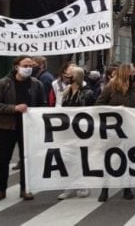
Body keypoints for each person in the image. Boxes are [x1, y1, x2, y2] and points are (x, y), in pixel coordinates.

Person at [0, 55, 46, 202]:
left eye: (30, 66)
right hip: (7, 127)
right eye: (25, 65)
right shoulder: (4, 83)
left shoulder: (36, 84)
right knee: (4, 159)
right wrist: (14, 108)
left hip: (28, 128)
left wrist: (35, 113)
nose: (28, 68)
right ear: (16, 67)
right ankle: (0, 189)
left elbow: (43, 104)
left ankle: (25, 188)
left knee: (26, 159)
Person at [95, 63, 135, 202]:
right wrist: (115, 110)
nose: (134, 74)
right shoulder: (110, 87)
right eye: (132, 71)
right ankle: (105, 190)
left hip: (129, 129)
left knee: (127, 158)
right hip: (112, 129)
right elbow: (99, 105)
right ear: (125, 72)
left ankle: (127, 189)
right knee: (110, 158)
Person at [57, 66, 95, 200]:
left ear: (75, 77)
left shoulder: (87, 93)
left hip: (82, 131)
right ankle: (70, 185)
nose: (66, 76)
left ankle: (83, 184)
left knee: (81, 158)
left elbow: (91, 113)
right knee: (67, 158)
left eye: (68, 74)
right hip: (68, 130)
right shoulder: (66, 92)